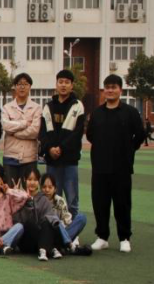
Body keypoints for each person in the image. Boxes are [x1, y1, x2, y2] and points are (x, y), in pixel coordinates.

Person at [87, 74, 145, 254]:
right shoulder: (97, 113)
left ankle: (124, 238)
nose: (110, 90)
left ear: (120, 89)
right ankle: (102, 237)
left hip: (122, 167)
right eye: (107, 87)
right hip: (100, 167)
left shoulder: (130, 112)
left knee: (122, 204)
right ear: (104, 90)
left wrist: (129, 150)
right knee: (100, 203)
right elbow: (90, 135)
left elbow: (140, 135)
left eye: (114, 87)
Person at [42, 69, 86, 219]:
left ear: (72, 86)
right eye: (60, 82)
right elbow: (43, 132)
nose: (63, 85)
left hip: (69, 160)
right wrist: (49, 149)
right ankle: (55, 228)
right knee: (52, 198)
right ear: (56, 84)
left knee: (72, 200)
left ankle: (73, 230)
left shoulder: (77, 106)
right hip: (52, 161)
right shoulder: (48, 106)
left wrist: (60, 148)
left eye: (67, 82)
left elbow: (77, 133)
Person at [1, 73, 42, 185]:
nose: (22, 87)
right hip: (10, 157)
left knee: (29, 191)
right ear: (15, 87)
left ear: (30, 87)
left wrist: (16, 133)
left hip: (29, 158)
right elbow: (6, 126)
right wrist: (24, 123)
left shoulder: (36, 108)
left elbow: (34, 131)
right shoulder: (7, 107)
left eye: (25, 84)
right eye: (19, 84)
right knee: (10, 191)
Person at [40, 172, 86, 255]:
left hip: (61, 234)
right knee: (55, 221)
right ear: (41, 188)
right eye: (44, 187)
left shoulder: (60, 201)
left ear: (55, 189)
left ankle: (61, 245)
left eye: (50, 187)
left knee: (82, 218)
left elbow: (67, 220)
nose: (47, 190)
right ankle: (67, 245)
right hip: (47, 236)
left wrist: (61, 226)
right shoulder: (38, 201)